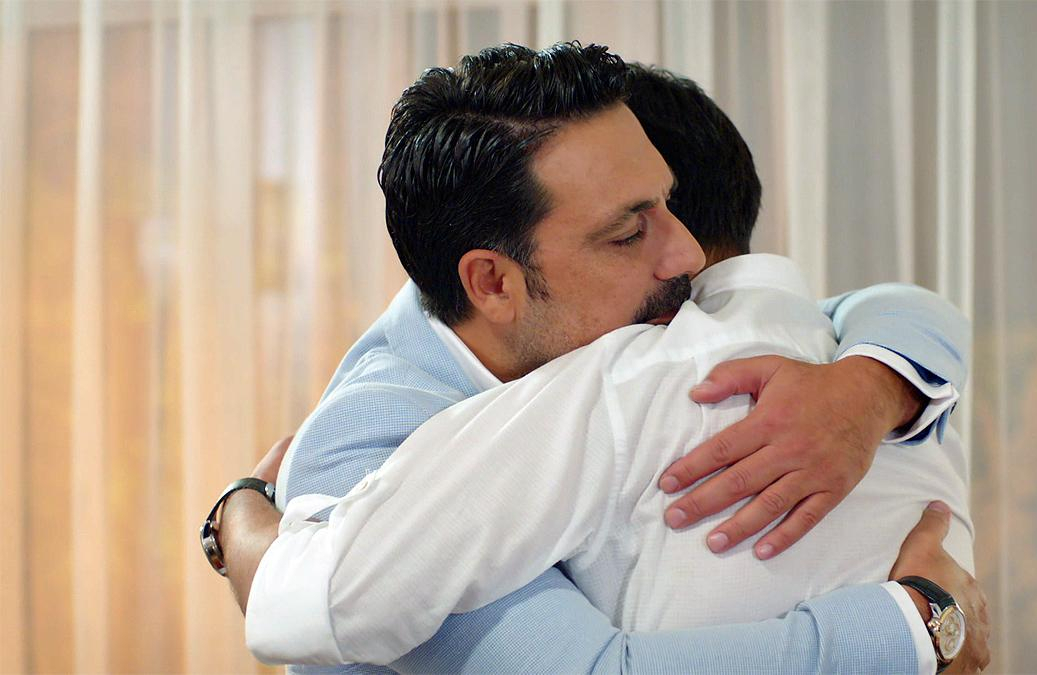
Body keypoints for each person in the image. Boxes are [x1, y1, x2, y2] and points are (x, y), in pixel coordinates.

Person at [212, 44, 986, 673]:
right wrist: (918, 622)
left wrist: (871, 383)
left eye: (667, 204)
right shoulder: (374, 451)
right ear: (493, 283)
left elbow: (853, 310)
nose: (686, 254)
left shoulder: (625, 344)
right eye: (628, 232)